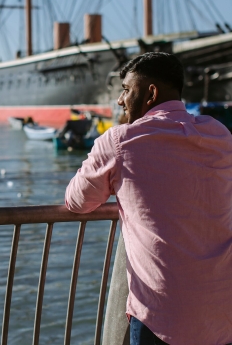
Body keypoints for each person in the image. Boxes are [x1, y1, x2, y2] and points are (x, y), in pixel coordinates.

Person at [64, 52, 232, 345]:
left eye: (127, 89)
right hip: (222, 313)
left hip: (162, 316)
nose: (120, 100)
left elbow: (78, 201)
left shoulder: (120, 141)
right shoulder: (219, 134)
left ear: (151, 93)